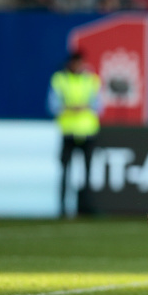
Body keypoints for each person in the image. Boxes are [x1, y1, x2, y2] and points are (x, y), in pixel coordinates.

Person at [48, 51, 101, 217]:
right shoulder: (60, 80)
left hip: (87, 131)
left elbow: (99, 105)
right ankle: (63, 209)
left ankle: (84, 207)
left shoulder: (92, 80)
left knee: (87, 173)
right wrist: (71, 108)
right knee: (65, 171)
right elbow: (52, 105)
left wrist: (82, 107)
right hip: (69, 131)